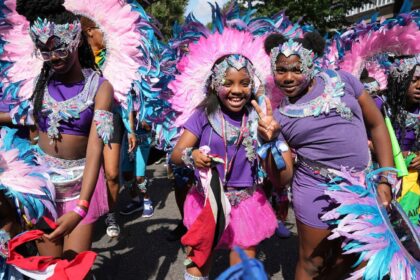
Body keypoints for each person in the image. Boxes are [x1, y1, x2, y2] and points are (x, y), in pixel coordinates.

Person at [265, 32, 394, 279]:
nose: (288, 77)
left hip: (362, 185)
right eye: (281, 70)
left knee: (348, 257)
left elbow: (377, 125)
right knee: (312, 262)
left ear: (310, 63)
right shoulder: (279, 117)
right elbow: (282, 178)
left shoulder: (342, 80)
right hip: (315, 190)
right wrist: (270, 141)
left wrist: (387, 178)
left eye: (296, 68)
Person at [171, 52, 293, 279]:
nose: (237, 90)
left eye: (244, 83)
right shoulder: (203, 115)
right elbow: (176, 154)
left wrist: (272, 139)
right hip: (208, 202)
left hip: (246, 205)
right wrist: (193, 155)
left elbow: (283, 176)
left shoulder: (260, 119)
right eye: (228, 83)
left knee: (242, 273)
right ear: (214, 84)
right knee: (196, 265)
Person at [14, 0, 113, 259]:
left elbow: (95, 151)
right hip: (43, 189)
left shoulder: (100, 88)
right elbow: (19, 118)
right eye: (45, 51)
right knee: (48, 268)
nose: (54, 57)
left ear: (77, 40)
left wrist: (81, 208)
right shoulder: (39, 82)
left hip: (80, 189)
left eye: (60, 47)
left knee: (73, 270)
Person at [80, 16, 137, 237]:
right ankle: (83, 213)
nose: (109, 36)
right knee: (83, 173)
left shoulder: (114, 57)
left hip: (111, 119)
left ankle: (110, 214)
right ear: (91, 31)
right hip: (83, 121)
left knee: (112, 174)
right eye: (105, 30)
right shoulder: (76, 58)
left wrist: (130, 129)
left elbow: (125, 96)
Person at [384, 55, 419, 226]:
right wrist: (393, 154)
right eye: (414, 80)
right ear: (400, 81)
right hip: (384, 180)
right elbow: (365, 143)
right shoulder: (382, 110)